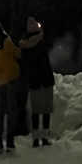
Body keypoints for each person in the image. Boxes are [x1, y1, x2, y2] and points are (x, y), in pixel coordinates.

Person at [19, 17, 55, 147]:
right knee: (46, 110)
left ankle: (35, 139)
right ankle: (44, 138)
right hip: (45, 79)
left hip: (34, 80)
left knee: (36, 110)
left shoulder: (24, 44)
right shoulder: (41, 41)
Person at [0, 22, 21, 153]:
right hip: (10, 80)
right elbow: (18, 54)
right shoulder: (7, 42)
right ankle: (10, 141)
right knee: (11, 112)